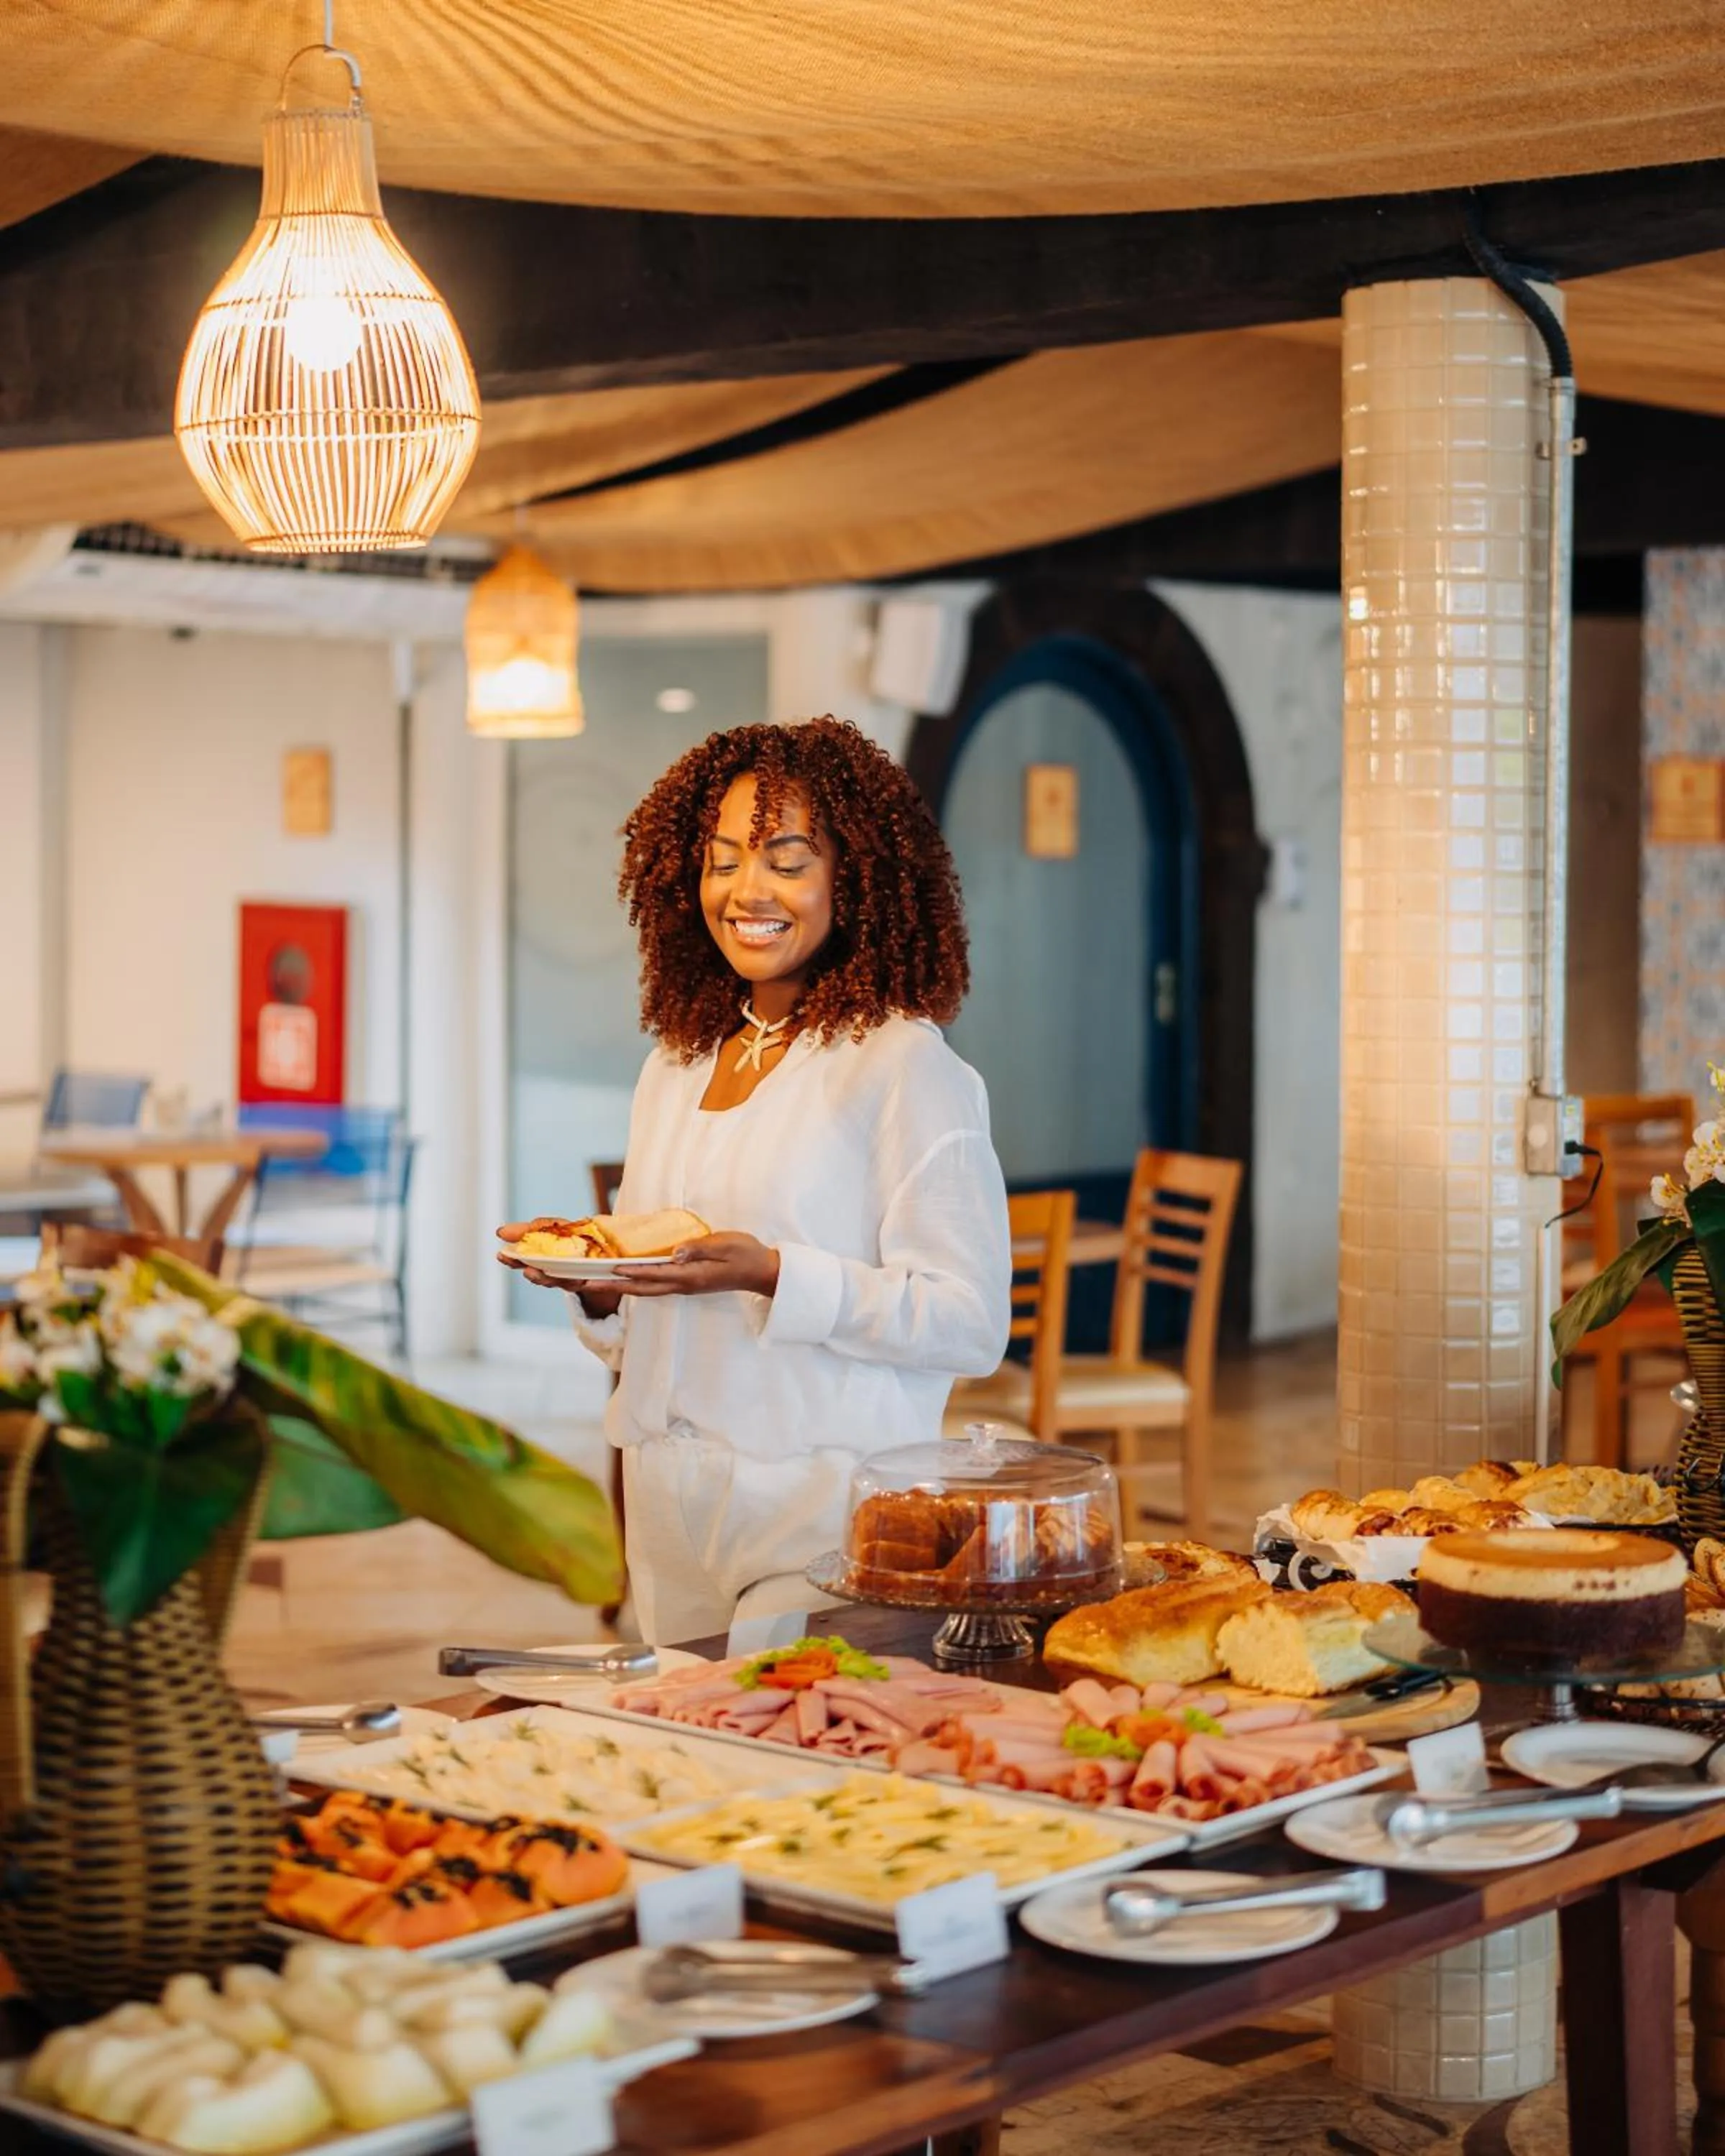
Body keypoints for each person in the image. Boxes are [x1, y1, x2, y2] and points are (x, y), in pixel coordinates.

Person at [500, 717, 1011, 1643]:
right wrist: (604, 1290)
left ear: (854, 879)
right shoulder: (677, 1065)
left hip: (822, 1499)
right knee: (687, 1765)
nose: (746, 891)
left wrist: (772, 1271)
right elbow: (665, 1302)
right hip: (667, 1499)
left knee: (785, 1760)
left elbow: (969, 1322)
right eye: (723, 859)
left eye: (785, 859)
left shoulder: (902, 1066)